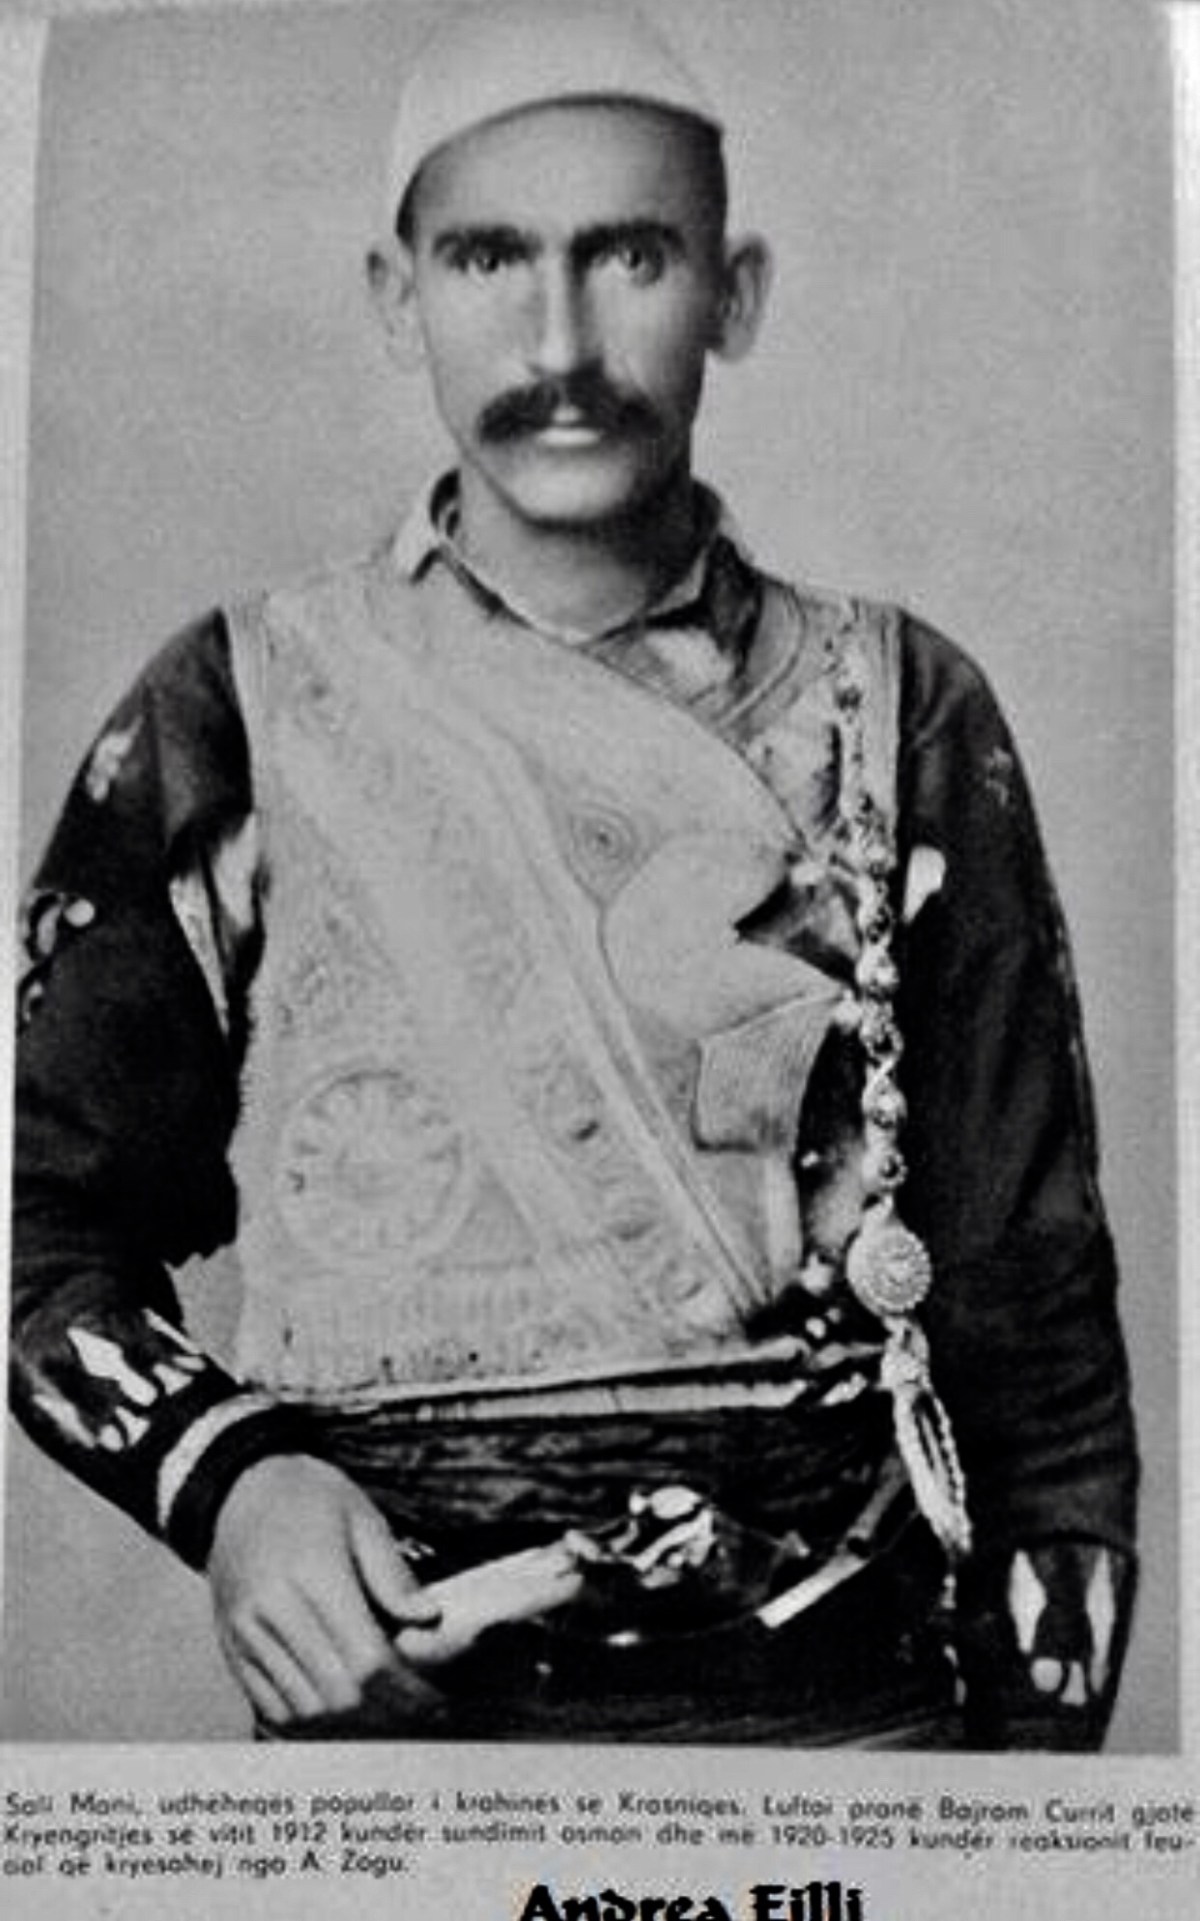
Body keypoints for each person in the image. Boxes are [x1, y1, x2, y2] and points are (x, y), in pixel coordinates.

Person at [9, 0, 1137, 1747]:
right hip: (395, 1743)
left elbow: (1038, 1347)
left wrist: (1030, 1813)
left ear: (733, 293)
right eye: (489, 259)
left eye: (631, 257)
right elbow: (33, 1227)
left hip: (845, 1731)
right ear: (398, 298)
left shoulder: (902, 710)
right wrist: (228, 1480)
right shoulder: (234, 707)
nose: (561, 343)